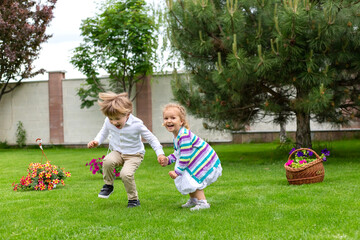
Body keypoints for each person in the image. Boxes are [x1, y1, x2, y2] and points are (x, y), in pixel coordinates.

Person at [87, 92, 166, 208]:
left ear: (128, 114)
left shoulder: (137, 124)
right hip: (118, 152)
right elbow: (103, 133)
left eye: (117, 119)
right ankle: (108, 185)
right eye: (111, 119)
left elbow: (152, 139)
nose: (114, 122)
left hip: (134, 154)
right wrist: (96, 141)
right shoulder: (108, 122)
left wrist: (160, 154)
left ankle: (133, 200)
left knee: (125, 174)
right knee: (107, 161)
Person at [159, 103, 222, 211]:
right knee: (187, 176)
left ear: (181, 121)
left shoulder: (184, 135)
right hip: (195, 160)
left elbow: (185, 156)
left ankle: (203, 203)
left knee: (193, 177)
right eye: (166, 118)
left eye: (173, 118)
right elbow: (178, 152)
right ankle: (194, 200)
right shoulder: (177, 135)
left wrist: (177, 172)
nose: (169, 121)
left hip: (204, 160)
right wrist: (168, 160)